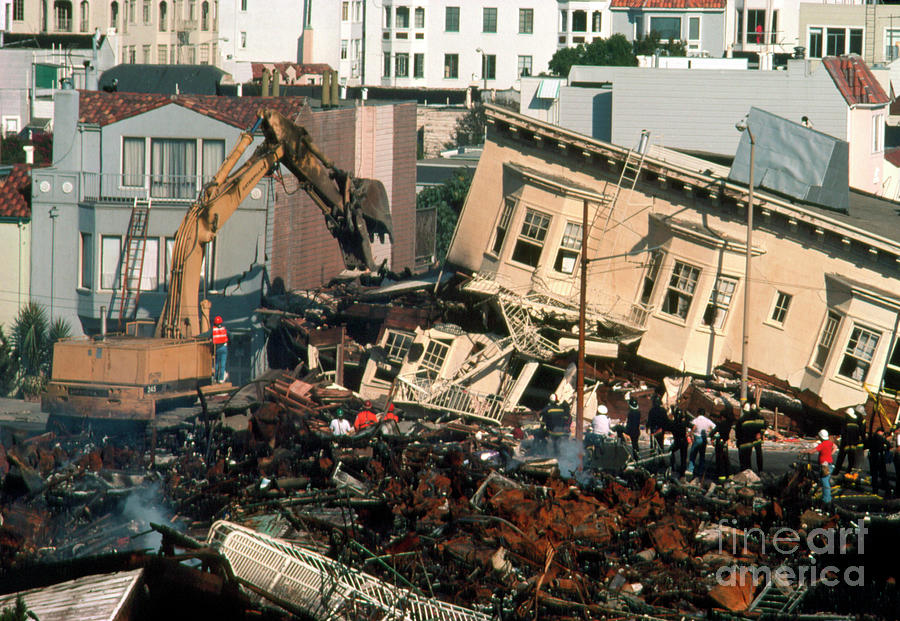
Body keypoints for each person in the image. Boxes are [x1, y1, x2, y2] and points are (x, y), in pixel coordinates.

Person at [807, 429, 835, 510]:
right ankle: (824, 496)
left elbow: (813, 451)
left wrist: (805, 451)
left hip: (824, 465)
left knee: (825, 481)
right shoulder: (829, 443)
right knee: (825, 481)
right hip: (829, 464)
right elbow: (835, 447)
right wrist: (830, 454)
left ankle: (827, 500)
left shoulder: (822, 444)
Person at [833, 406, 864, 476]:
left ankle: (835, 473)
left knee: (840, 459)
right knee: (851, 460)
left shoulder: (845, 422)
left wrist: (841, 442)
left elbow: (843, 433)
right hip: (853, 445)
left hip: (845, 444)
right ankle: (848, 473)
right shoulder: (856, 424)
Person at [737, 402, 766, 472]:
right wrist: (760, 434)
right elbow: (764, 425)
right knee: (758, 454)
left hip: (748, 439)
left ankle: (748, 470)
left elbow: (739, 432)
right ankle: (760, 470)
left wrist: (739, 441)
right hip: (756, 438)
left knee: (747, 455)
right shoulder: (759, 417)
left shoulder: (743, 419)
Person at [688, 409, 716, 476]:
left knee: (693, 455)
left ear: (698, 413)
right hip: (704, 438)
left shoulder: (695, 420)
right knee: (702, 456)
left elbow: (692, 427)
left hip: (697, 438)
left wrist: (690, 434)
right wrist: (710, 434)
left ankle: (690, 470)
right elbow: (714, 427)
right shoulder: (708, 420)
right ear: (704, 414)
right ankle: (701, 471)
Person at [867, 427, 892, 496]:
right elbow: (889, 445)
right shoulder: (881, 438)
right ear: (880, 432)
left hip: (872, 457)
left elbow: (866, 445)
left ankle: (875, 491)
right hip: (880, 457)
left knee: (874, 475)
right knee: (883, 474)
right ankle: (887, 490)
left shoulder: (871, 437)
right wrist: (884, 449)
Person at [713, 410, 735, 480]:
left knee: (720, 461)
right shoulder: (729, 424)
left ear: (722, 417)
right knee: (726, 460)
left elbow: (713, 433)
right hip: (725, 444)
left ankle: (721, 477)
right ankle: (730, 475)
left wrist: (713, 437)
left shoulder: (720, 424)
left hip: (720, 444)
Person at [669, 408, 689, 477]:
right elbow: (690, 423)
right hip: (684, 441)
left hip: (677, 441)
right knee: (683, 457)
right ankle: (682, 472)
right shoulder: (684, 423)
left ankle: (673, 466)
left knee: (670, 451)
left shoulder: (673, 423)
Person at [212, 315, 229, 383]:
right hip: (224, 348)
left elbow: (206, 334)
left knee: (216, 364)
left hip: (217, 348)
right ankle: (221, 379)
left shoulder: (213, 330)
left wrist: (197, 337)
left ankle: (215, 378)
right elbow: (231, 335)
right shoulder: (224, 329)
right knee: (223, 363)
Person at [625, 393, 641, 458]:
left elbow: (629, 423)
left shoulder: (630, 413)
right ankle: (636, 456)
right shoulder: (638, 412)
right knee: (635, 444)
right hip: (637, 431)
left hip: (631, 431)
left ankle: (635, 457)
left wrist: (626, 430)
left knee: (634, 444)